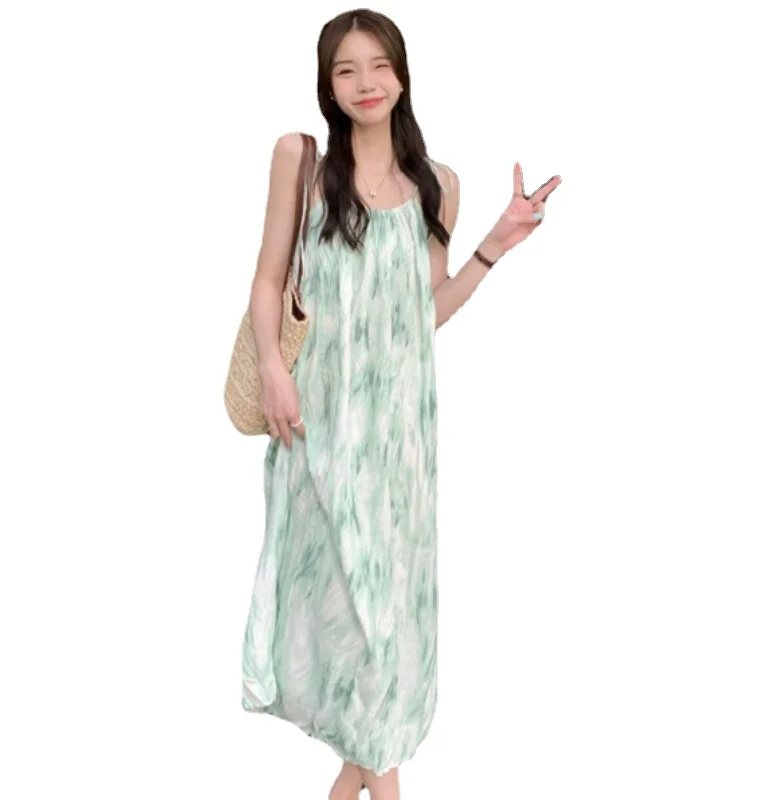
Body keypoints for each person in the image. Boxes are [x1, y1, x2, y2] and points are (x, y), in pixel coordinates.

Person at [240, 9, 561, 800]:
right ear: (328, 86)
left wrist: (494, 245)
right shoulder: (301, 163)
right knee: (354, 628)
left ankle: (358, 787)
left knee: (386, 635)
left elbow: (425, 314)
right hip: (317, 431)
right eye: (346, 69)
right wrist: (275, 371)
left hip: (399, 447)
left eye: (379, 65)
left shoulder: (438, 185)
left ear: (403, 74)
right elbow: (269, 279)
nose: (365, 83)